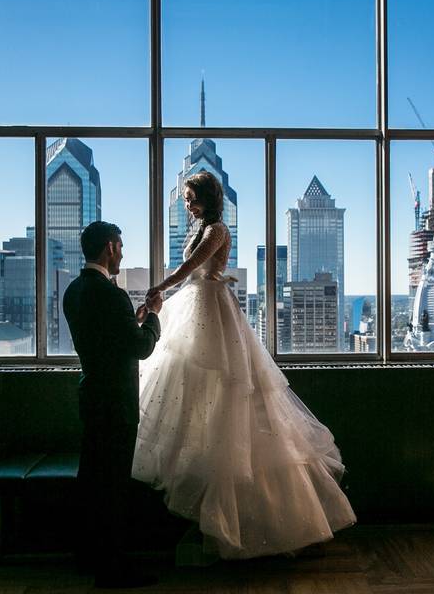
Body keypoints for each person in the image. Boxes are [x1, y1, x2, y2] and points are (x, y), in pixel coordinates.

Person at [134, 171, 356, 559]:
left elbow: (192, 269)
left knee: (229, 391)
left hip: (209, 308)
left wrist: (158, 289)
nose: (187, 204)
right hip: (198, 306)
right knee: (198, 390)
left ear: (207, 197)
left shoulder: (216, 228)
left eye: (191, 198)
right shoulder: (203, 227)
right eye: (185, 199)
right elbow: (192, 271)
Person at [62, 221, 162, 589]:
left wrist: (132, 320)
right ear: (109, 247)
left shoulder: (74, 292)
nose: (122, 253)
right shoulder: (112, 294)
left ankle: (87, 557)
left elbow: (104, 337)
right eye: (120, 246)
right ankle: (113, 569)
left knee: (92, 482)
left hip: (91, 395)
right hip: (117, 402)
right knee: (113, 489)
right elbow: (140, 348)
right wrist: (152, 316)